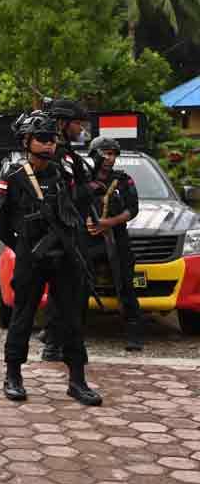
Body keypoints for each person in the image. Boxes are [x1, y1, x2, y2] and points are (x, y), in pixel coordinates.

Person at [0, 111, 102, 407]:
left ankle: (77, 380)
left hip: (65, 255)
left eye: (52, 138)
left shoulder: (65, 173)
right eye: (41, 138)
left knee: (71, 317)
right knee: (22, 316)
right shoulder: (13, 178)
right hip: (32, 255)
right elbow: (1, 223)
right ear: (26, 141)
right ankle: (13, 375)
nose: (48, 144)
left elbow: (80, 207)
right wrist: (25, 243)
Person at [39, 98, 93, 361]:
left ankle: (59, 339)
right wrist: (90, 189)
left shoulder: (71, 156)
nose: (81, 128)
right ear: (62, 123)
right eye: (77, 123)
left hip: (74, 232)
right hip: (59, 234)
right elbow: (66, 197)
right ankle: (53, 343)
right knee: (63, 290)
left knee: (71, 289)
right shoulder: (54, 157)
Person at [87, 136, 143, 350]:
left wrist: (108, 223)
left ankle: (134, 335)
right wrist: (87, 223)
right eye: (106, 153)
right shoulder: (82, 179)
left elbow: (132, 209)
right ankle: (59, 332)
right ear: (95, 154)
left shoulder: (123, 180)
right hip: (88, 240)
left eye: (114, 154)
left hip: (117, 239)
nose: (110, 158)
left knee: (126, 286)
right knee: (74, 284)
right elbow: (71, 204)